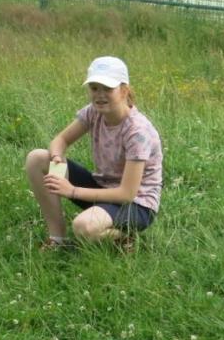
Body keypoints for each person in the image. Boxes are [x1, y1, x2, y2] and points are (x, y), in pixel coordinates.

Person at [24, 56, 162, 250]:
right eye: (94, 88)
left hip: (136, 205)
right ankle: (57, 238)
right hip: (103, 189)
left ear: (124, 90)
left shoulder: (138, 132)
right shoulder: (94, 112)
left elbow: (127, 194)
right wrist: (56, 158)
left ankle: (124, 236)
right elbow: (60, 140)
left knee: (84, 227)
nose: (100, 95)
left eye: (107, 89)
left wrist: (71, 191)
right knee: (37, 158)